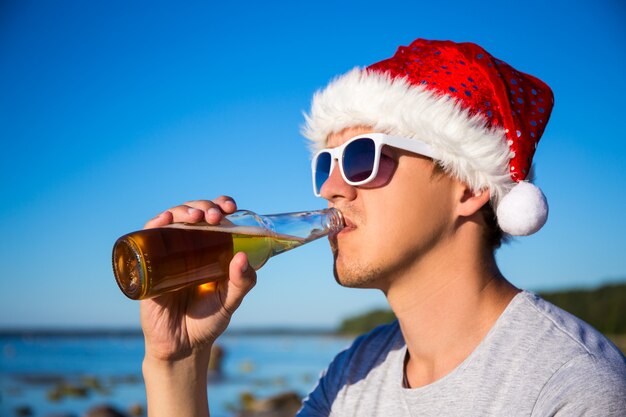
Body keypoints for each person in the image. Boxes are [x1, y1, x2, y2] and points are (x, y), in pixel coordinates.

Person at [139, 39, 626, 416]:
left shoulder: (569, 388)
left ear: (469, 185)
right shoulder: (354, 375)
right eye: (324, 163)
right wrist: (176, 362)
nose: (330, 186)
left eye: (361, 157)